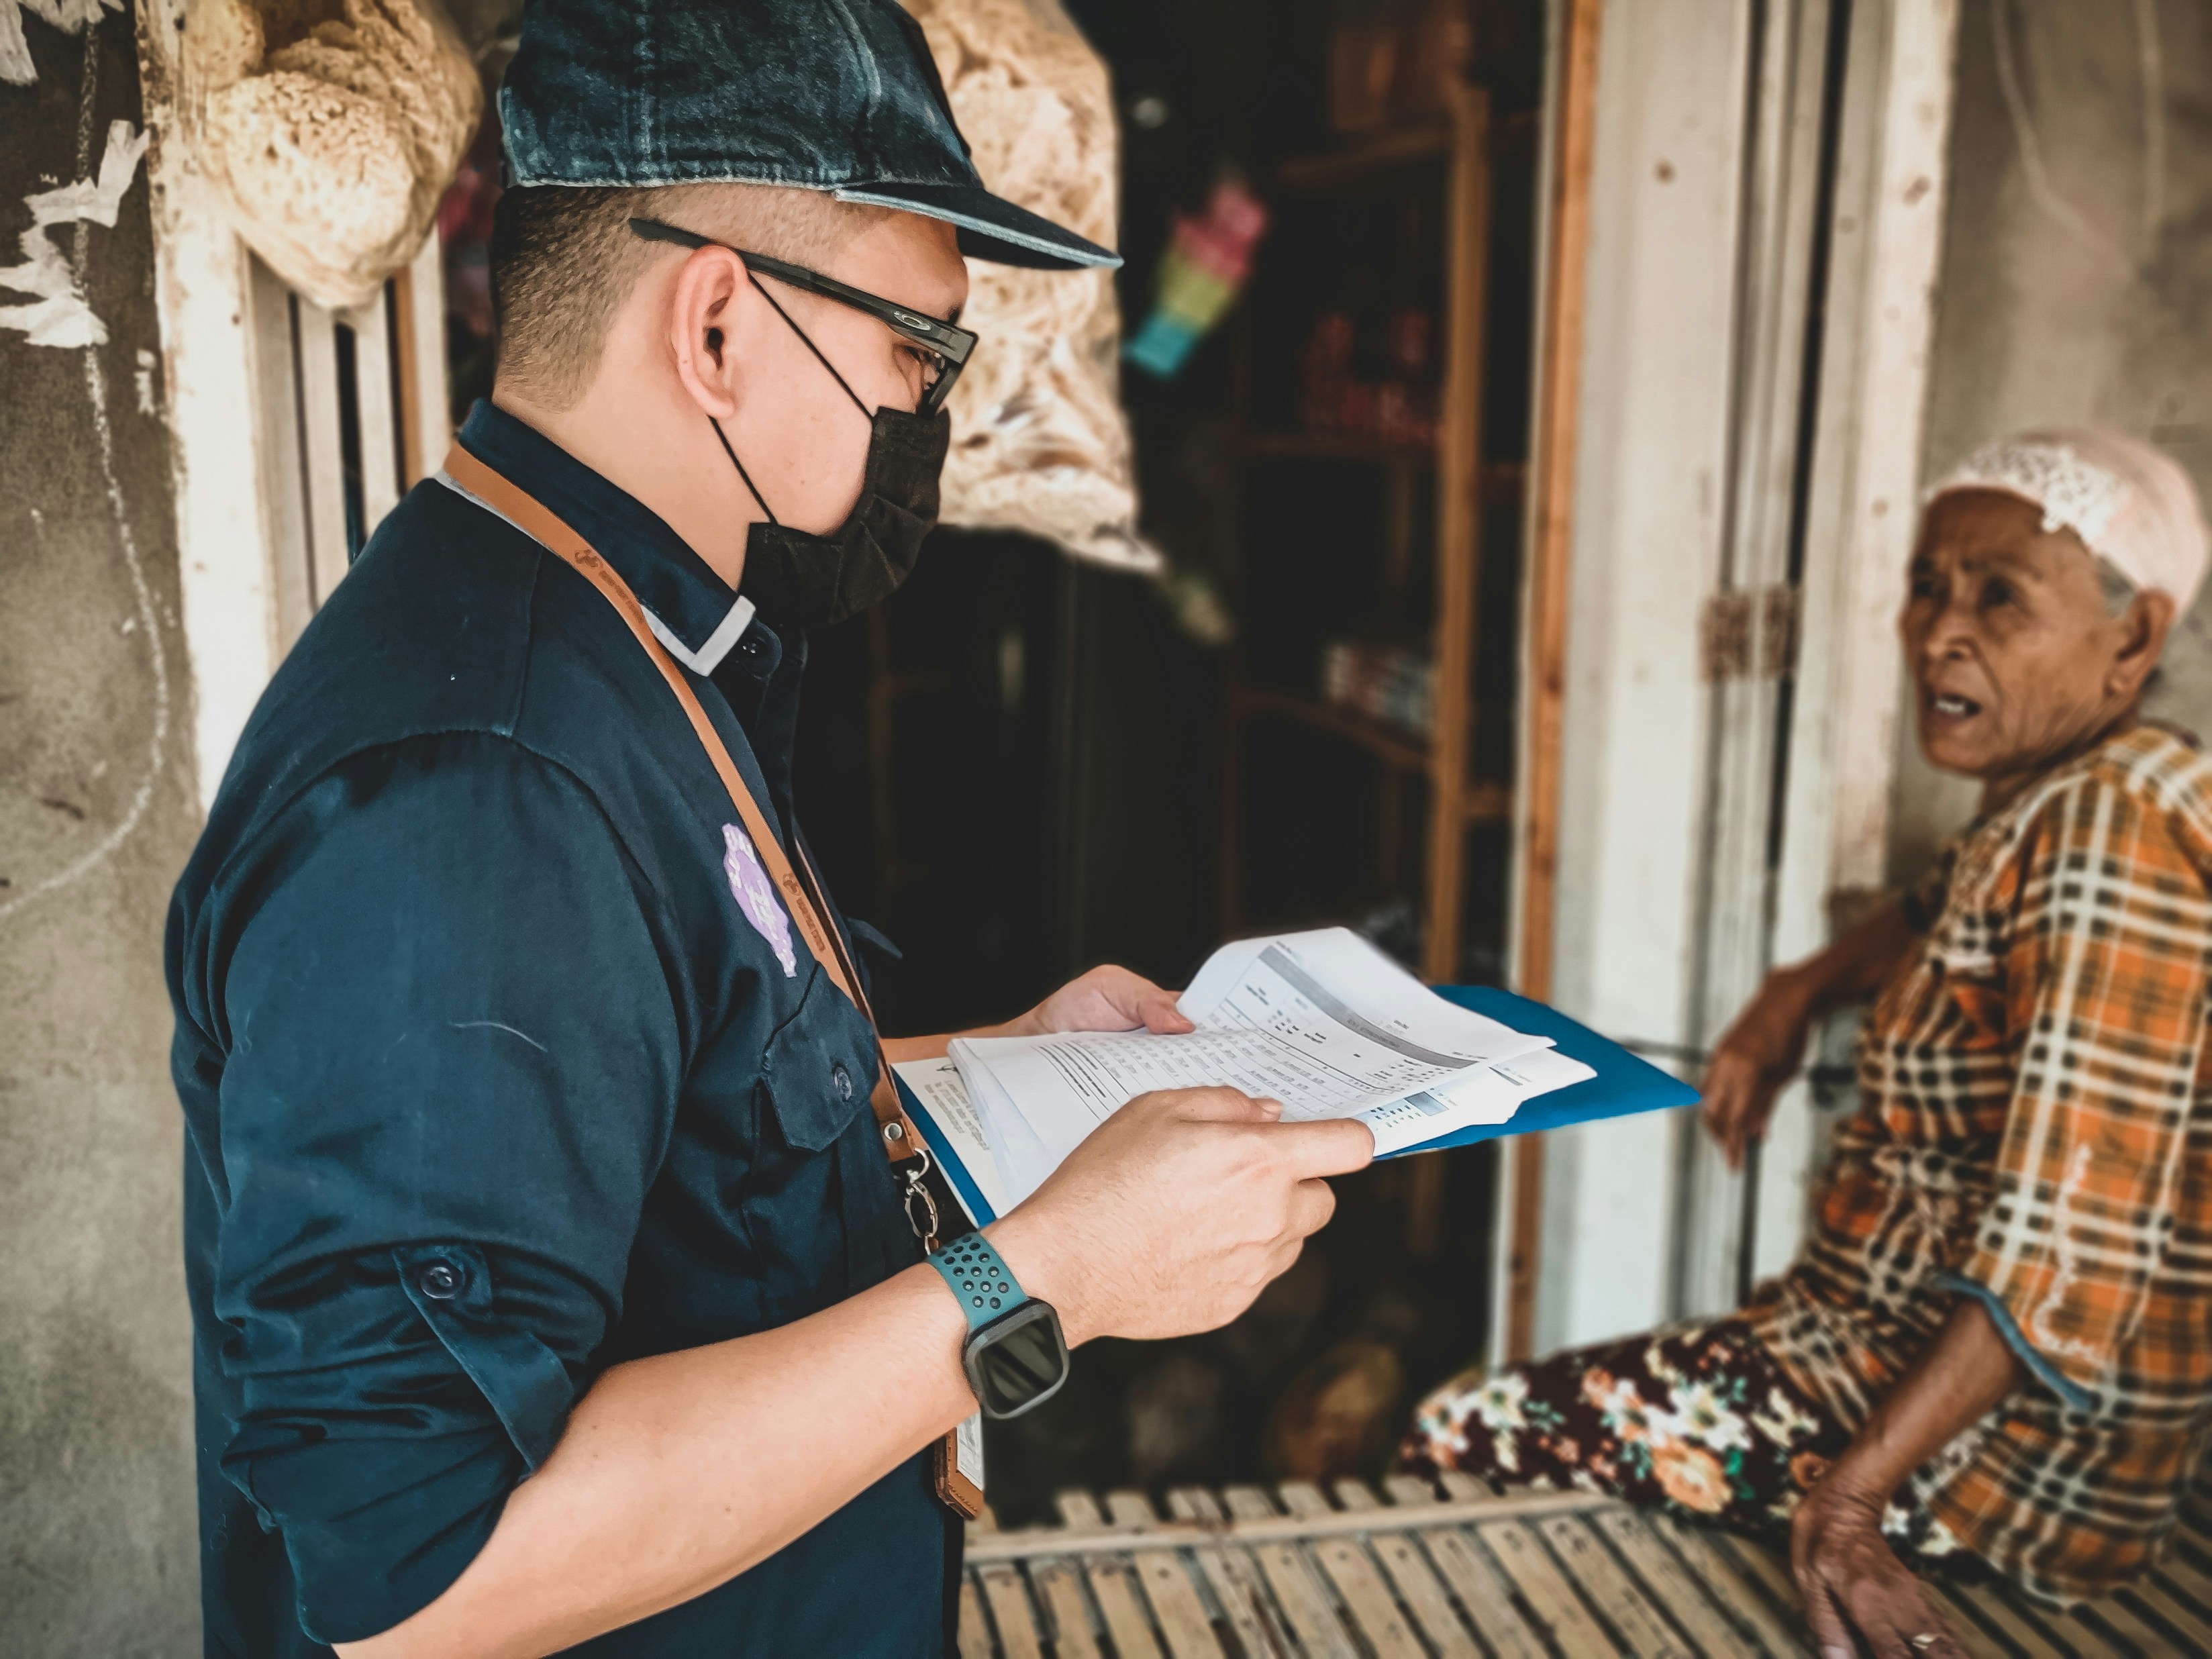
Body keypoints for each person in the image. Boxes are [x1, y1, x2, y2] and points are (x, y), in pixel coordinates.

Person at [166, 3, 1374, 1654]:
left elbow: (659, 1115)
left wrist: (986, 1075)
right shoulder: (478, 792)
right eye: (916, 352)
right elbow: (417, 1580)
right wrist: (1046, 1279)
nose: (926, 413)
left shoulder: (627, 644)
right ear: (720, 325)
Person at [1403, 431, 2212, 1656]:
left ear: (2135, 640)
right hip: (1874, 1357)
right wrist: (1797, 990)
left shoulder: (2110, 826)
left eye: (2001, 596)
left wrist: (1850, 1500)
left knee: (1467, 1437)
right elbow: (1940, 903)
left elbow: (2064, 1250)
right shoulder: (2069, 797)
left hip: (2000, 1468)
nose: (1939, 631)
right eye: (1930, 585)